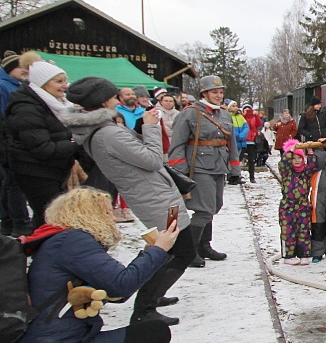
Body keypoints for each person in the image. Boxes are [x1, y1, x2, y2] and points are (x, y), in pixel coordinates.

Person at [9, 187, 179, 343]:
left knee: (120, 341)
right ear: (91, 214)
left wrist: (149, 254)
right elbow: (122, 285)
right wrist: (159, 250)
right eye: (107, 213)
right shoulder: (74, 242)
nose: (111, 218)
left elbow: (117, 291)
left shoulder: (57, 242)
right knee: (154, 333)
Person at [66, 76, 195, 325]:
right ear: (103, 101)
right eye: (113, 95)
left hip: (153, 196)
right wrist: (150, 127)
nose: (118, 99)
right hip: (157, 200)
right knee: (180, 252)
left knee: (167, 250)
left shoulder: (101, 131)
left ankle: (153, 295)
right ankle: (146, 306)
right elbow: (153, 160)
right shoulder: (108, 134)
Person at [167, 75, 240, 267]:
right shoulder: (190, 113)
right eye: (214, 92)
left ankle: (203, 246)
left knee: (214, 206)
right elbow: (177, 145)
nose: (218, 95)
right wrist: (180, 172)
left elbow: (230, 143)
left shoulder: (224, 114)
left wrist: (235, 168)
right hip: (198, 167)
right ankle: (187, 252)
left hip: (218, 165)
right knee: (204, 209)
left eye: (221, 92)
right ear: (204, 93)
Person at [5, 56, 79, 229]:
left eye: (65, 80)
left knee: (46, 219)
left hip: (53, 170)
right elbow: (43, 148)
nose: (65, 85)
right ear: (43, 83)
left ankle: (40, 250)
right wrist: (76, 144)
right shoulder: (26, 108)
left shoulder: (55, 104)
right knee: (52, 220)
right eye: (59, 81)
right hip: (35, 171)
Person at [0, 50, 33, 237]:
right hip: (8, 142)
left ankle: (8, 222)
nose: (25, 70)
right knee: (14, 184)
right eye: (21, 67)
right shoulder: (4, 87)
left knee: (9, 184)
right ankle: (20, 222)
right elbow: (4, 118)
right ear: (10, 68)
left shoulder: (16, 85)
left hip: (11, 140)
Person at [277, 139, 319, 265]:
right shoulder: (286, 172)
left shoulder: (306, 173)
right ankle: (289, 255)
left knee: (304, 231)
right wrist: (291, 149)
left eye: (299, 158)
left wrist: (310, 150)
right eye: (294, 157)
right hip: (287, 207)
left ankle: (304, 254)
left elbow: (313, 165)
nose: (296, 160)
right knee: (288, 232)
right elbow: (283, 163)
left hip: (303, 207)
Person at [242, 103, 264, 182]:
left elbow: (259, 124)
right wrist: (244, 115)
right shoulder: (242, 117)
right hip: (243, 140)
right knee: (239, 159)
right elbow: (241, 124)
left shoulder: (254, 117)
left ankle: (252, 177)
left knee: (251, 159)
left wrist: (256, 115)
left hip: (252, 140)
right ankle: (237, 175)